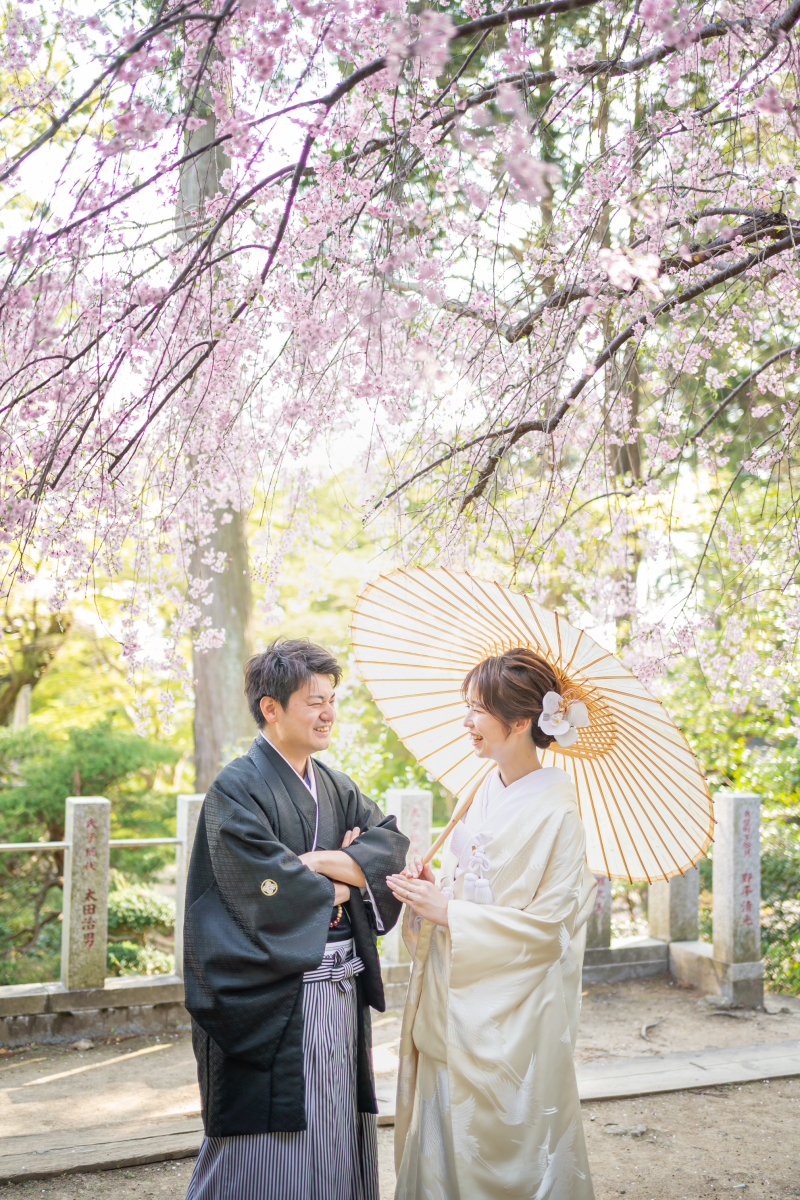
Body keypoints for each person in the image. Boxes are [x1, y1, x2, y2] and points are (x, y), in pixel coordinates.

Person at [183, 637, 409, 1200]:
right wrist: (349, 877)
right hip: (271, 992)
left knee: (334, 1117)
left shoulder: (333, 783)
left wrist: (322, 866)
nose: (328, 712)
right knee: (270, 1133)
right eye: (314, 700)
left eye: (332, 699)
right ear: (271, 707)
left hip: (338, 984)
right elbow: (262, 888)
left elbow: (391, 846)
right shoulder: (236, 788)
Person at [387, 646, 598, 1200]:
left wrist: (450, 912)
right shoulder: (478, 792)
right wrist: (433, 893)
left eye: (477, 709)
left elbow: (551, 930)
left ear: (523, 721)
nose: (467, 722)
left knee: (510, 1144)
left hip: (514, 1012)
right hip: (452, 994)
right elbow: (462, 891)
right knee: (443, 1135)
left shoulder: (560, 812)